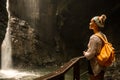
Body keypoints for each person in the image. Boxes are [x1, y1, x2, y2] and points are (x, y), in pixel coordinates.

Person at [83, 14, 107, 80]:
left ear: (95, 24)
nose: (89, 23)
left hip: (95, 66)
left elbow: (91, 54)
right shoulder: (103, 35)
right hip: (103, 63)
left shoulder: (94, 37)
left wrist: (85, 53)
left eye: (91, 22)